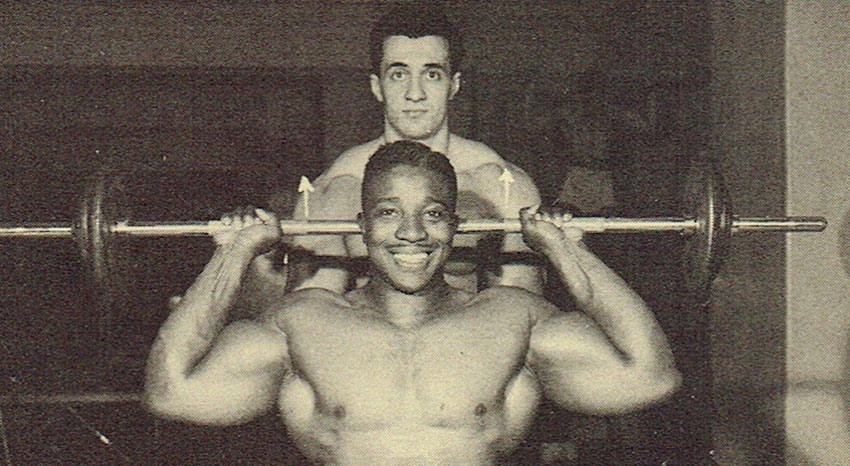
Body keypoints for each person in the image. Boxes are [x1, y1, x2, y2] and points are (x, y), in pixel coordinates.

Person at [144, 141, 680, 465]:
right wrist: (234, 254)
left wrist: (567, 252)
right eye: (387, 213)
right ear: (360, 227)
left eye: (433, 214)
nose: (411, 235)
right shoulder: (303, 323)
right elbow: (172, 392)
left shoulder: (511, 318)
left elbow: (651, 375)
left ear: (456, 226)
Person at [285, 4, 544, 296]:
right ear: (377, 86)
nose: (415, 94)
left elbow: (521, 310)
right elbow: (310, 314)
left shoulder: (498, 185)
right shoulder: (338, 189)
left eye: (432, 74)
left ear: (454, 85)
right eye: (398, 75)